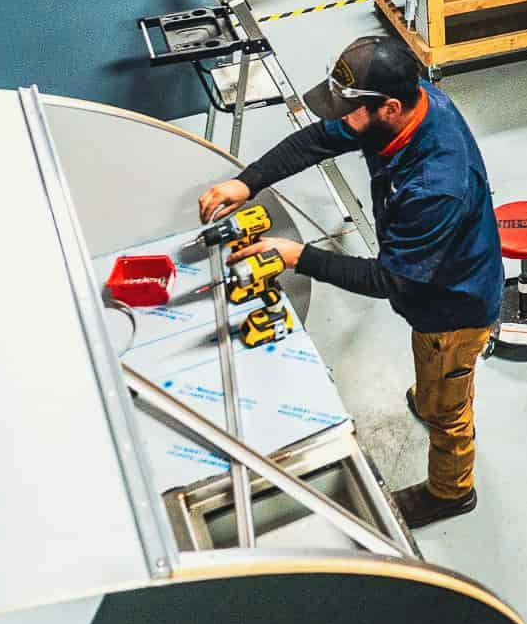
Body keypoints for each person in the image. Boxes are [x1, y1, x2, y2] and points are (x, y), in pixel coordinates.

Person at [198, 35, 503, 529]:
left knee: (449, 405)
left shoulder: (436, 186)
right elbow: (321, 138)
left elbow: (390, 280)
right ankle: (431, 394)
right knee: (432, 369)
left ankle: (451, 491)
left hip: (454, 308)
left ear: (390, 108)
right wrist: (248, 180)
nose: (344, 120)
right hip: (431, 291)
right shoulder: (408, 106)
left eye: (352, 111)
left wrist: (298, 256)